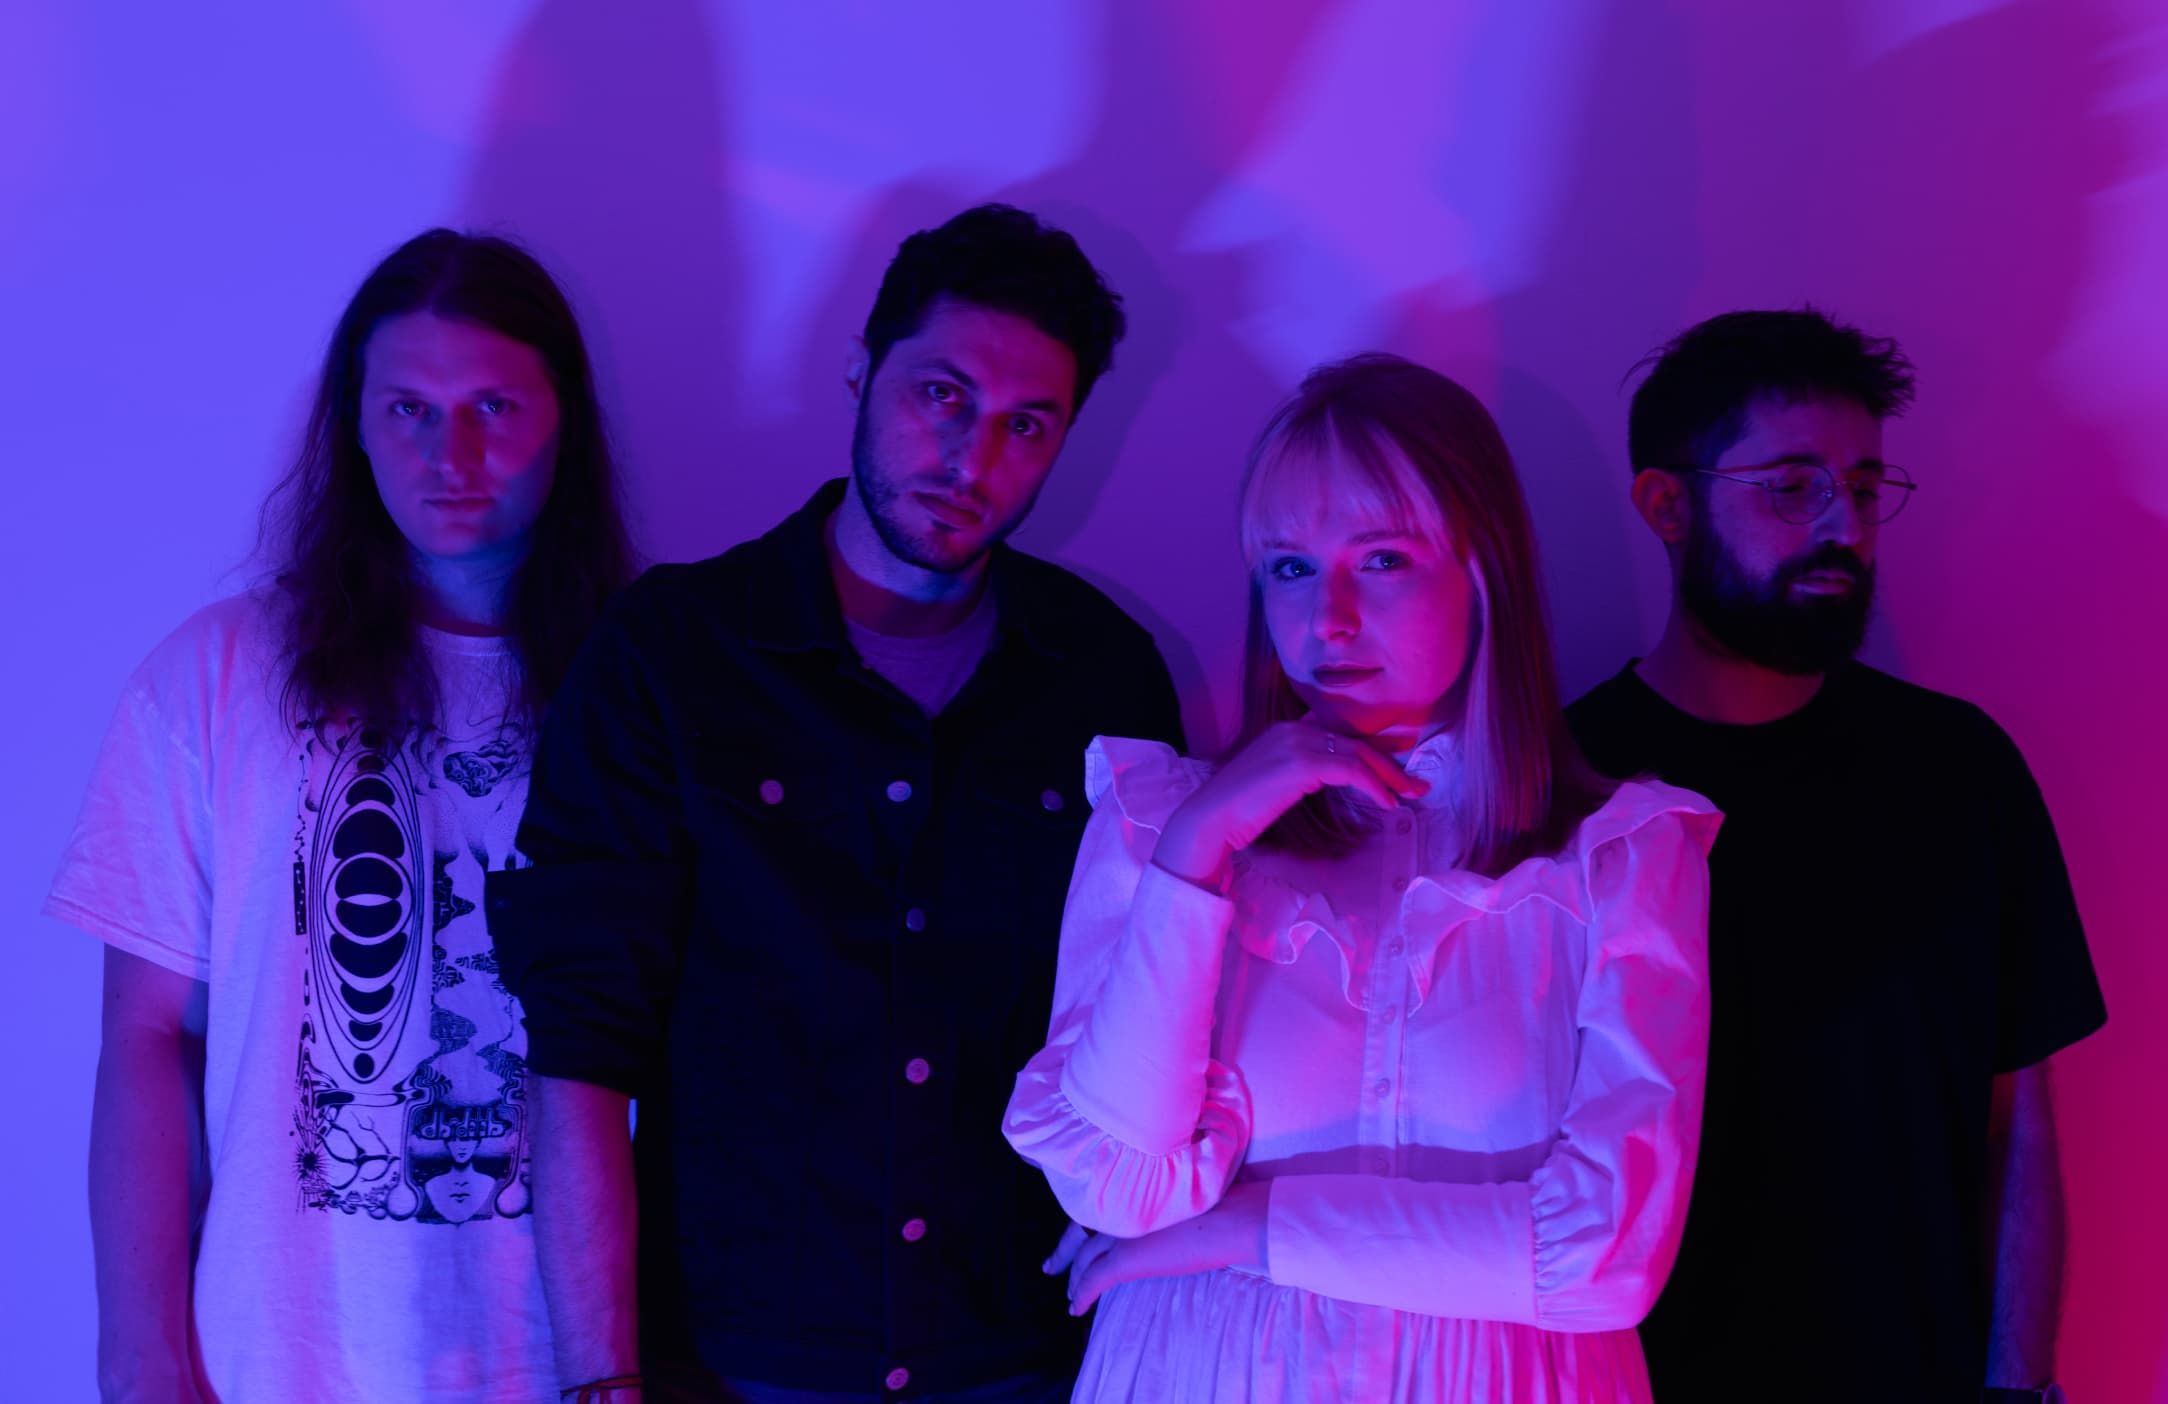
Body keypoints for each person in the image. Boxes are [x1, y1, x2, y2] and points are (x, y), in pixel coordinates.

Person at [488, 203, 1186, 1403]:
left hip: (1019, 1357)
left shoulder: (1106, 676)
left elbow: (1156, 1026)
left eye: (1028, 425)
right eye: (942, 395)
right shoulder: (668, 657)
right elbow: (578, 1053)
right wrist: (600, 1379)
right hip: (733, 1364)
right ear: (862, 369)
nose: (971, 459)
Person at [1004, 353, 1719, 1402]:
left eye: (1379, 560)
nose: (1324, 619)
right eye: (1288, 567)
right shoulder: (1161, 824)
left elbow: (1603, 1260)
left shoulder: (1617, 858)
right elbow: (1111, 1182)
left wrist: (1246, 1227)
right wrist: (1198, 852)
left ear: (1482, 573)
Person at [48, 229, 636, 1401]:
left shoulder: (649, 687)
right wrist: (139, 1358)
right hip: (284, 1362)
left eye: (494, 407)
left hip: (576, 1363)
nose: (451, 453)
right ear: (353, 425)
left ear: (562, 419)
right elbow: (147, 1040)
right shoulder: (213, 679)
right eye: (409, 409)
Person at [1566, 309, 2108, 1403]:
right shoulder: (1565, 789)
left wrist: (2017, 1388)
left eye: (1862, 489)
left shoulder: (1957, 771)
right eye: (1788, 486)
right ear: (1665, 506)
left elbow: (2020, 1121)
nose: (1842, 528)